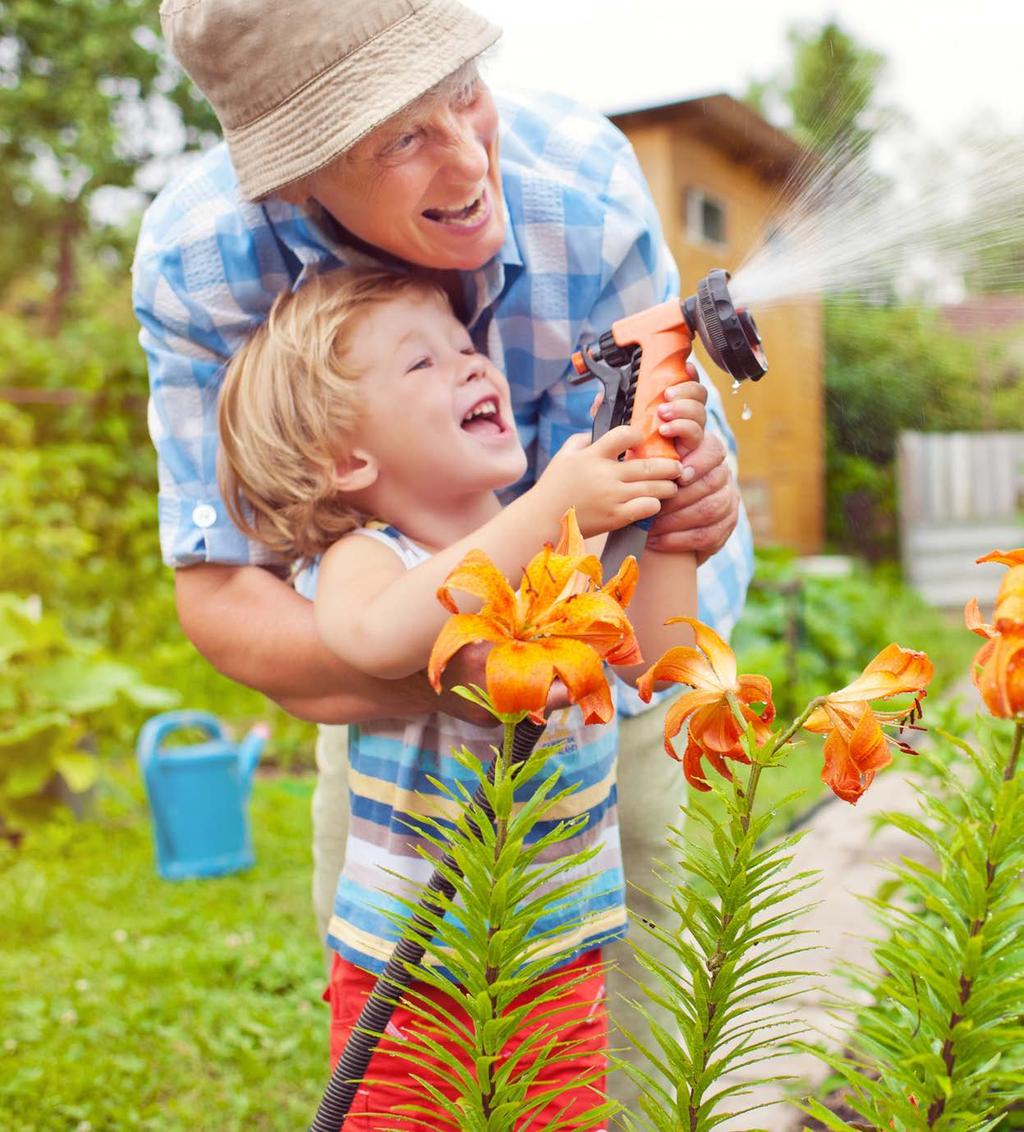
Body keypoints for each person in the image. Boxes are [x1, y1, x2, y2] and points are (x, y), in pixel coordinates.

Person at [134, 0, 753, 1106]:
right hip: (414, 937)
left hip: (568, 925)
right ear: (298, 175)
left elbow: (653, 656)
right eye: (399, 137)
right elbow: (314, 612)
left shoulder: (581, 193)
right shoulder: (209, 271)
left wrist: (680, 527)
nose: (472, 158)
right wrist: (516, 569)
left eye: (466, 92)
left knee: (634, 1076)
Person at [215, 265, 707, 1124]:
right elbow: (375, 636)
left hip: (557, 963)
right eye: (423, 364)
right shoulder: (367, 558)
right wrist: (555, 504)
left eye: (467, 345)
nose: (475, 365)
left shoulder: (562, 543)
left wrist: (666, 511)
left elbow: (661, 662)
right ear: (346, 458)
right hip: (410, 980)